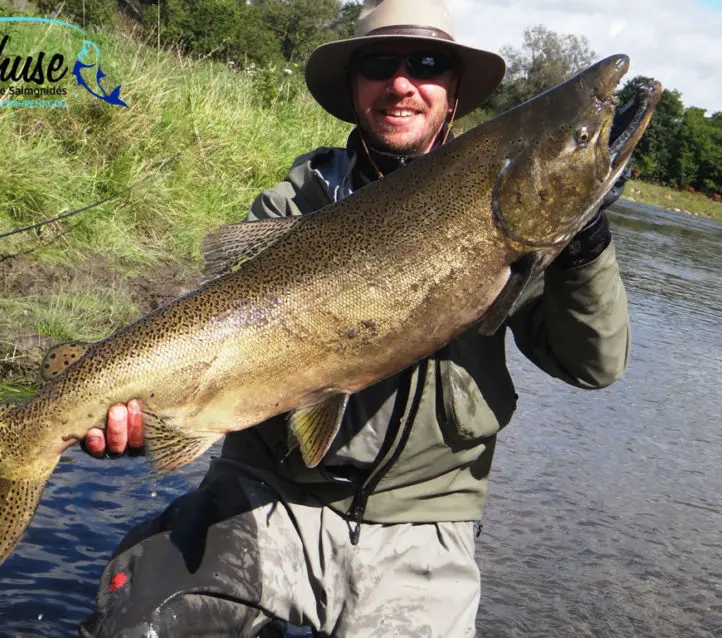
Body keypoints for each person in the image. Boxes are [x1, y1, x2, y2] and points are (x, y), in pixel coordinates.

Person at [79, 0, 630, 636]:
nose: (401, 83)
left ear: (452, 91)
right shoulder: (294, 204)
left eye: (426, 64)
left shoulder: (515, 228)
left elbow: (593, 366)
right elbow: (212, 346)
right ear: (354, 86)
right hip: (265, 497)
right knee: (138, 620)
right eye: (378, 63)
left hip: (422, 530)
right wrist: (146, 419)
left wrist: (583, 248)